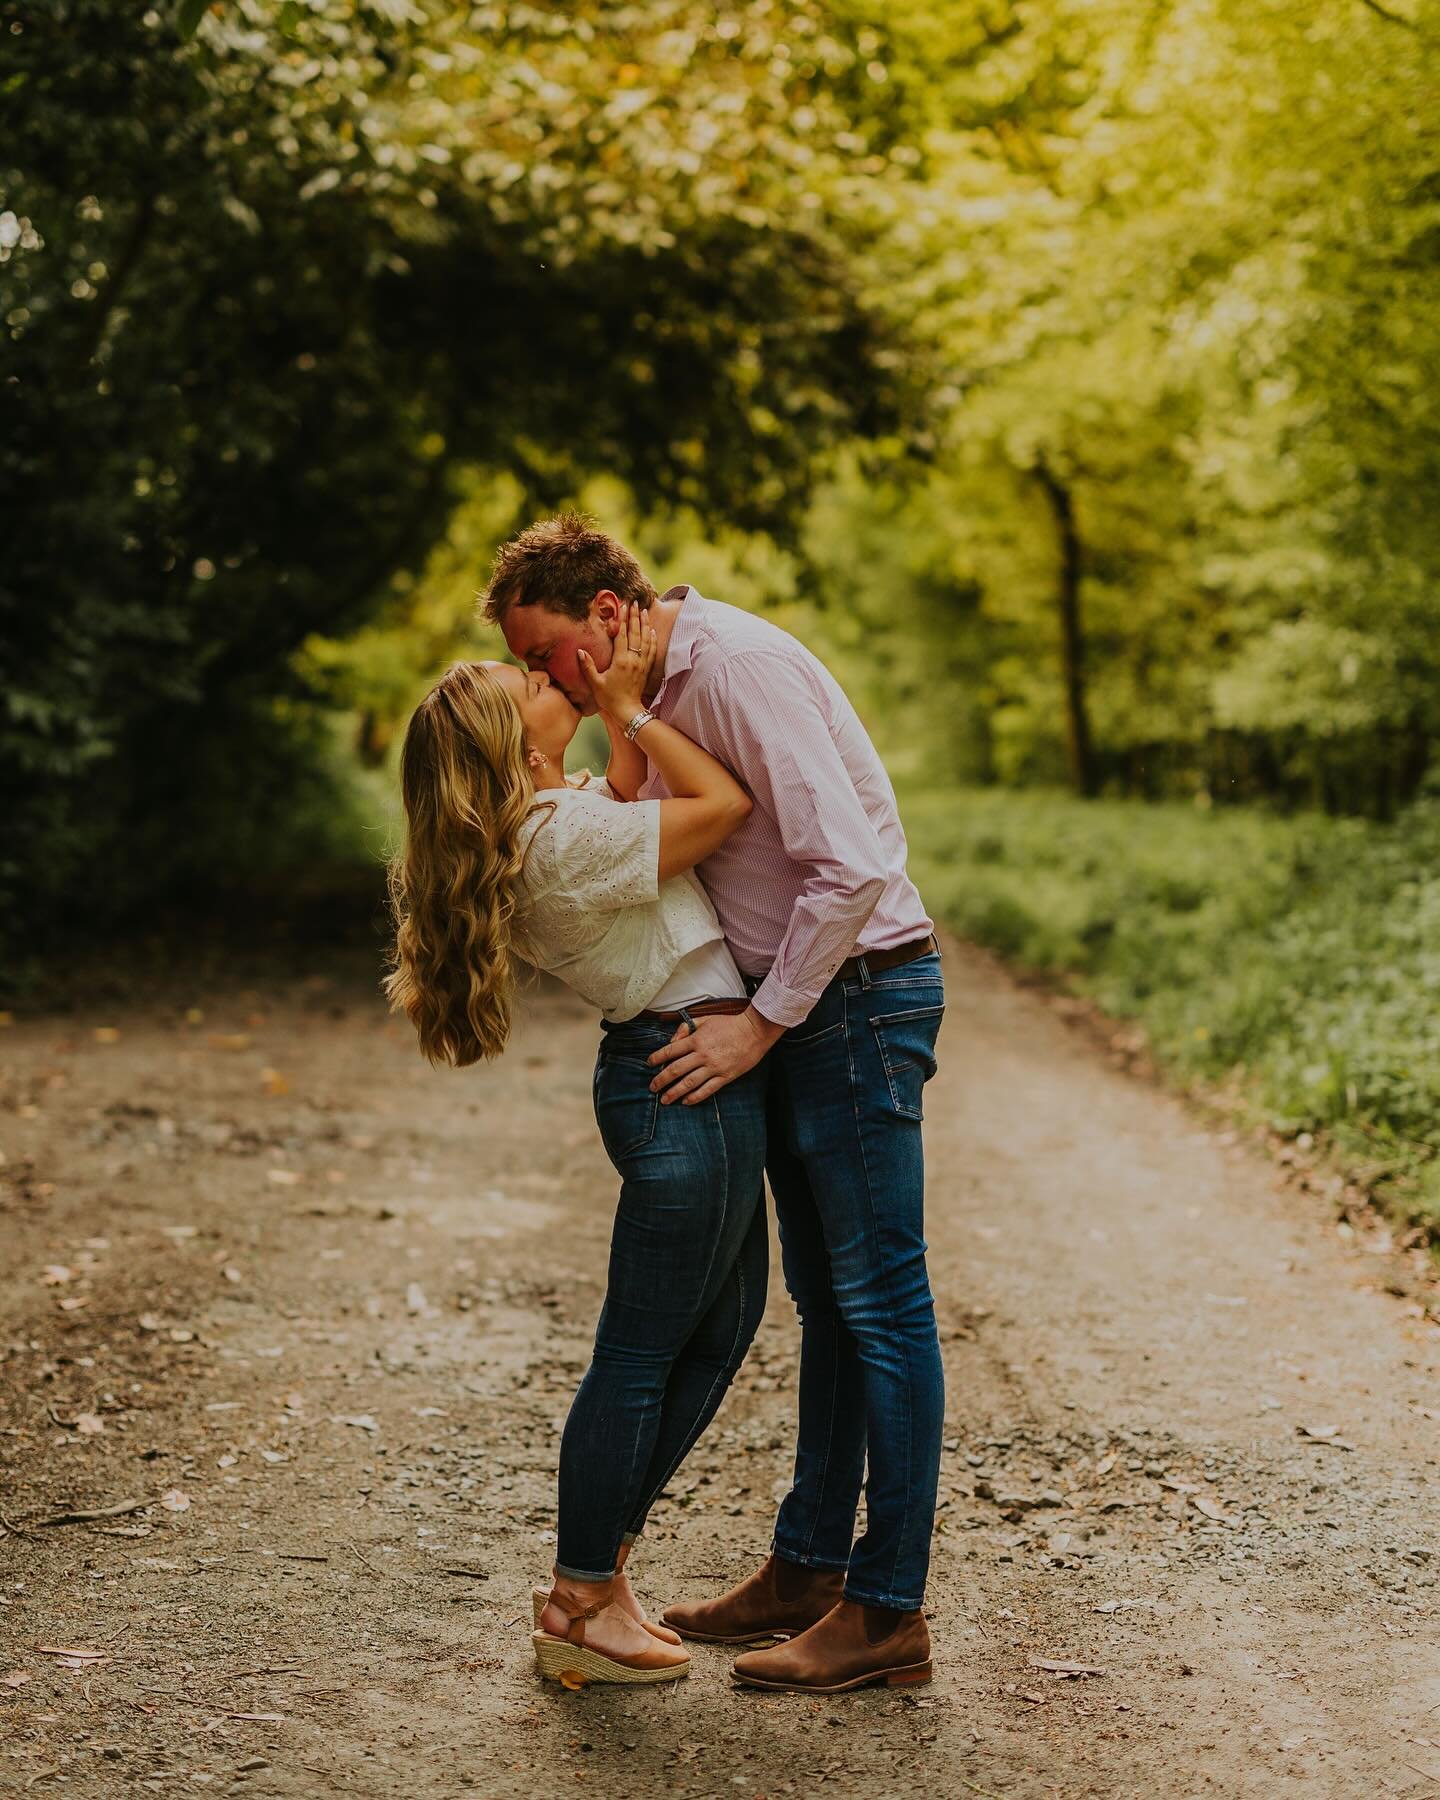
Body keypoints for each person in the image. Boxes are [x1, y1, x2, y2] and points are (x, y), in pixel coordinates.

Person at [486, 514, 945, 1696]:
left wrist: (761, 1021)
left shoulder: (731, 669)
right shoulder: (643, 695)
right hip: (793, 1009)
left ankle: (886, 1607)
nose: (545, 683)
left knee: (881, 1301)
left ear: (607, 614)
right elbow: (648, 829)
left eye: (546, 657)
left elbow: (850, 870)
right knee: (827, 1301)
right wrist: (628, 719)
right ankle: (807, 1569)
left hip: (846, 999)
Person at [385, 604, 769, 1689]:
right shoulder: (559, 842)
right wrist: (633, 706)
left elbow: (646, 797)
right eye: (538, 690)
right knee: (643, 1354)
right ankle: (582, 1594)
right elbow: (724, 805)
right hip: (678, 1075)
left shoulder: (568, 813)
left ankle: (598, 1578)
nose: (556, 682)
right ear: (518, 745)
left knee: (720, 1328)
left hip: (684, 1070)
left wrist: (614, 724)